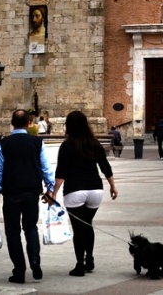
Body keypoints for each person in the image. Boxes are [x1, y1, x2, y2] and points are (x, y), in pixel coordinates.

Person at [0, 109, 55, 284]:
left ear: (12, 123)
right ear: (28, 123)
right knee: (31, 227)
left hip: (11, 193)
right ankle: (35, 260)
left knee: (13, 231)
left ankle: (19, 270)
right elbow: (46, 167)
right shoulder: (37, 143)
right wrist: (50, 188)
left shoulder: (4, 144)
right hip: (32, 192)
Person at [49, 110, 117, 277]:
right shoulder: (95, 143)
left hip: (75, 190)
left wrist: (53, 193)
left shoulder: (66, 146)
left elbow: (61, 172)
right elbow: (105, 166)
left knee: (79, 230)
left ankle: (80, 264)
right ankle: (90, 259)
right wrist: (112, 186)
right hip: (95, 189)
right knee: (88, 224)